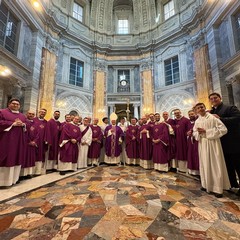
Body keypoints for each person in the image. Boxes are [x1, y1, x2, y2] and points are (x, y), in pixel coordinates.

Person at [193, 103, 230, 198]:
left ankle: (217, 189)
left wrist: (207, 131)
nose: (200, 109)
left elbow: (223, 129)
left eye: (202, 107)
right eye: (198, 108)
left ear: (205, 108)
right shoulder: (197, 121)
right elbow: (194, 132)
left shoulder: (213, 118)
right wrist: (198, 133)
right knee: (204, 164)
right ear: (196, 111)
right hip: (203, 144)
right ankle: (206, 185)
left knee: (215, 164)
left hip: (213, 144)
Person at [209, 92, 240, 195]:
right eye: (211, 99)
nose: (213, 100)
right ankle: (232, 185)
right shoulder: (212, 111)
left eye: (215, 98)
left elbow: (237, 119)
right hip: (220, 143)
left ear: (220, 98)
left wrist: (220, 119)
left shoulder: (230, 108)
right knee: (227, 166)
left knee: (238, 165)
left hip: (233, 142)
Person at [0, 98, 27, 187]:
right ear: (9, 104)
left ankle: (14, 180)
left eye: (17, 104)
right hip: (6, 141)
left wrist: (23, 125)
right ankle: (3, 182)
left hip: (18, 142)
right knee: (6, 158)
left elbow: (26, 126)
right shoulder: (2, 112)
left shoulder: (22, 116)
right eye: (14, 104)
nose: (15, 105)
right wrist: (12, 124)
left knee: (16, 158)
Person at [20, 110, 38, 179]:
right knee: (24, 158)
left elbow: (38, 134)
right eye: (29, 114)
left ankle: (28, 173)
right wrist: (29, 141)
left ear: (34, 115)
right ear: (26, 114)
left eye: (32, 114)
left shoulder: (35, 123)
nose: (31, 115)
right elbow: (23, 133)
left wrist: (34, 141)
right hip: (25, 144)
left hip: (33, 145)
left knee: (30, 159)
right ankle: (21, 174)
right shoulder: (24, 123)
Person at [34, 108, 48, 175]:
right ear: (38, 112)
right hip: (33, 141)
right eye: (41, 112)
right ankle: (31, 171)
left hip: (41, 142)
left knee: (40, 155)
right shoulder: (33, 120)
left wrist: (46, 140)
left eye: (44, 112)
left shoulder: (46, 122)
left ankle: (38, 171)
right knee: (32, 155)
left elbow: (47, 133)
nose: (42, 113)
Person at [187, 109, 199, 176]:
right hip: (190, 141)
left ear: (195, 114)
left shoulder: (198, 121)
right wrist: (187, 133)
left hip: (197, 140)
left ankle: (199, 170)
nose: (191, 115)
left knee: (197, 155)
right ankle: (192, 171)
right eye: (189, 114)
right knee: (191, 154)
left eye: (192, 114)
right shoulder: (188, 122)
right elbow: (186, 130)